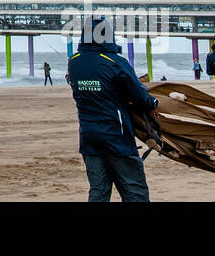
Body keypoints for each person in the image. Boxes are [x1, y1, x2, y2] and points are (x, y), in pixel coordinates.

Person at [67, 16, 158, 202]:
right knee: (135, 191)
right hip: (117, 137)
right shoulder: (115, 61)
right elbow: (139, 95)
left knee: (99, 191)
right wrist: (153, 103)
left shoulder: (74, 62)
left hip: (89, 138)